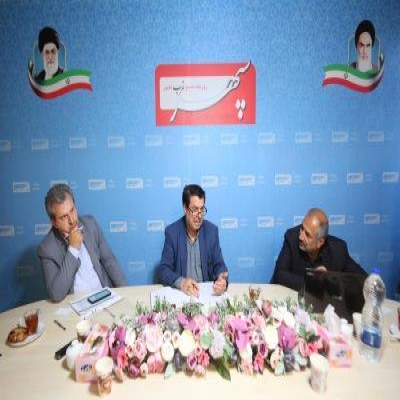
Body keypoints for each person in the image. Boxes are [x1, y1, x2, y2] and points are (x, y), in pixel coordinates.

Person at [37, 184, 127, 302]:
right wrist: (73, 249)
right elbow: (56, 294)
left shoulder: (90, 224)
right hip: (76, 306)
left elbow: (109, 261)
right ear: (54, 222)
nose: (72, 220)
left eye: (72, 210)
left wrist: (126, 293)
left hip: (103, 296)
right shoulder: (46, 249)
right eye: (64, 217)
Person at [270, 208, 366, 292]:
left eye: (307, 234)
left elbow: (363, 279)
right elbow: (279, 275)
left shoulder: (338, 250)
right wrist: (312, 282)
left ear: (320, 242)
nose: (300, 236)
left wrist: (329, 282)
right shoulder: (292, 237)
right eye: (302, 228)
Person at [159, 184, 228, 297]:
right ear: (185, 208)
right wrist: (181, 282)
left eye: (202, 209)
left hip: (206, 295)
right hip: (182, 294)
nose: (199, 215)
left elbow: (220, 265)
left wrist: (222, 280)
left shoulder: (212, 231)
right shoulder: (172, 232)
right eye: (195, 209)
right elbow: (164, 270)